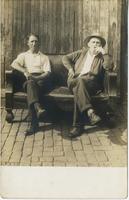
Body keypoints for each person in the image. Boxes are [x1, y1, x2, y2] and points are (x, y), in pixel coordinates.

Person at [62, 34, 113, 138]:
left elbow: (108, 67)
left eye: (98, 43)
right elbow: (65, 58)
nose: (95, 45)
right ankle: (90, 112)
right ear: (88, 44)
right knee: (80, 82)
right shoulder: (81, 53)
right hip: (74, 81)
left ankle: (78, 126)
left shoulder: (103, 57)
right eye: (93, 42)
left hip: (92, 84)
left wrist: (105, 54)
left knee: (79, 90)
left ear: (101, 46)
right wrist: (70, 69)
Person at [11, 33, 53, 136]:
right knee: (30, 84)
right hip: (28, 79)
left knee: (31, 88)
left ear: (39, 43)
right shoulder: (23, 55)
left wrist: (37, 78)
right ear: (28, 43)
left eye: (36, 41)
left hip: (41, 80)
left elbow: (47, 73)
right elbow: (14, 64)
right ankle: (38, 108)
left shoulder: (44, 57)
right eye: (32, 41)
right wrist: (24, 71)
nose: (34, 43)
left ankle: (34, 125)